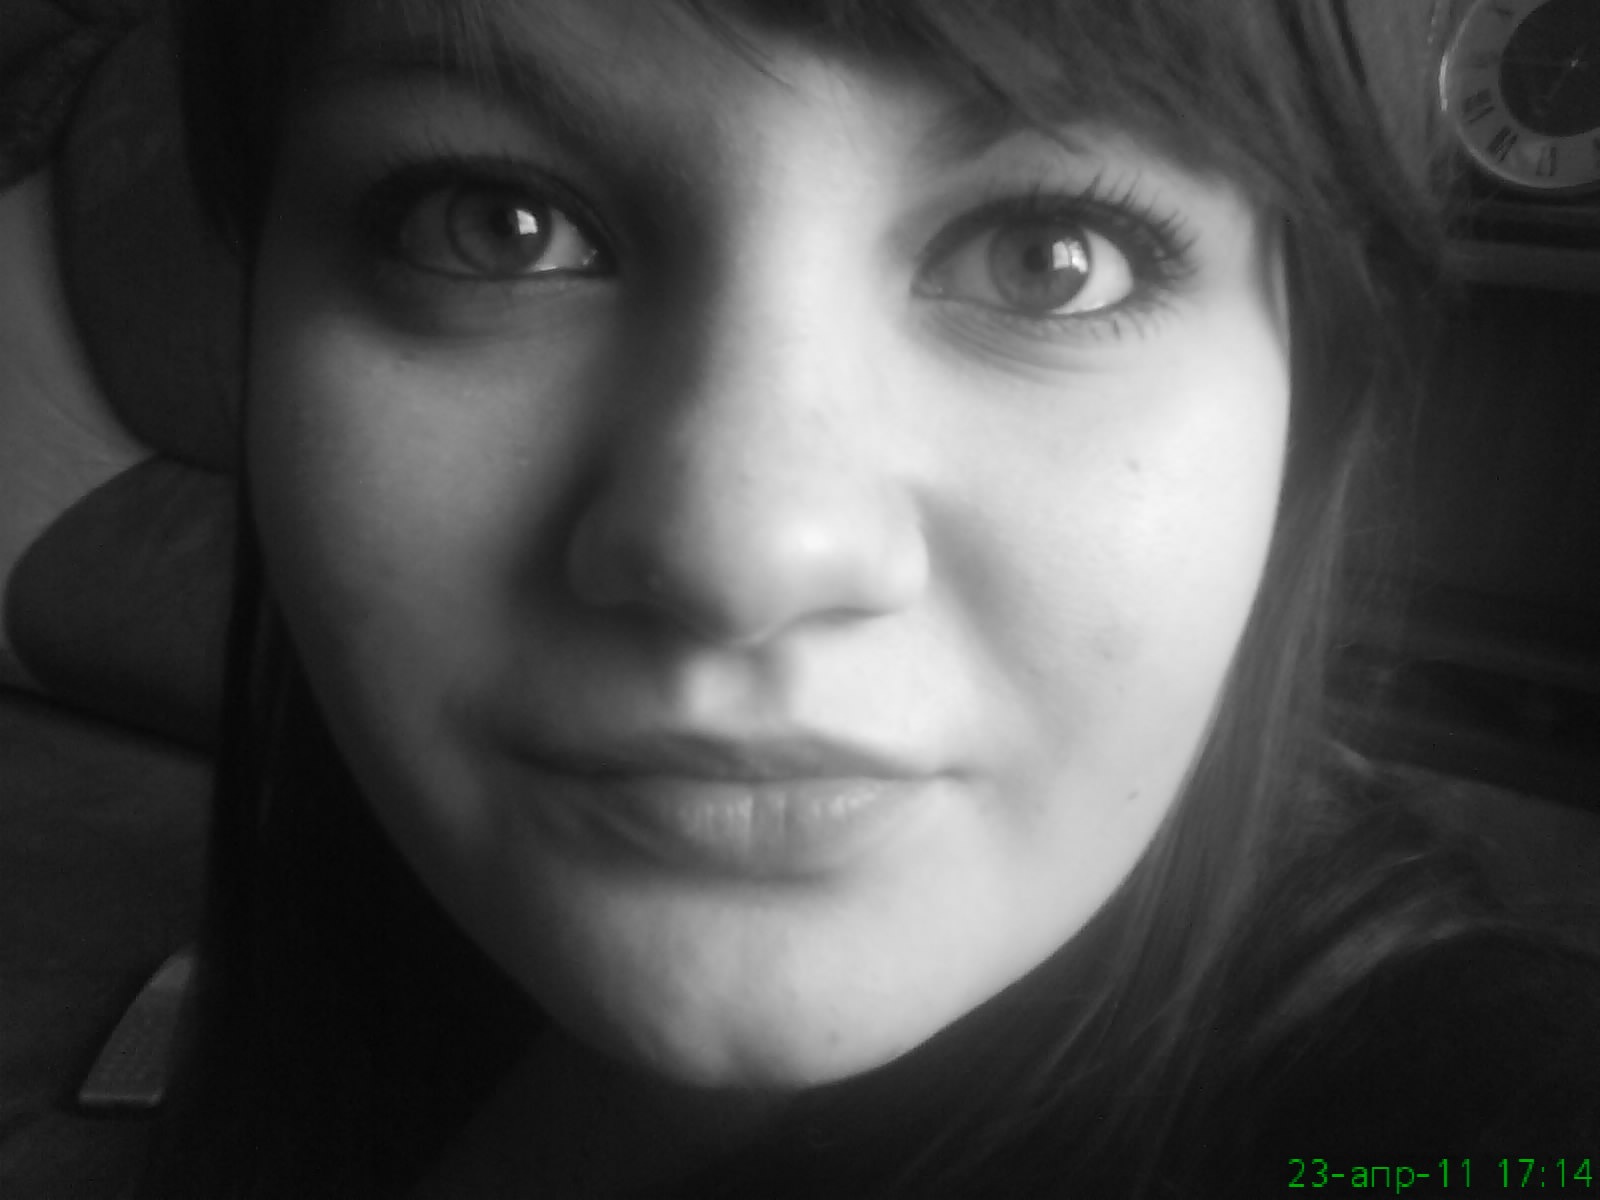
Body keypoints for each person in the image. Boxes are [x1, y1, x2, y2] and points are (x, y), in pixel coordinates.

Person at [146, 0, 1600, 1196]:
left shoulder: (1472, 1118)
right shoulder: (341, 968)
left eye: (1049, 261)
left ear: (1307, 396)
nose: (741, 558)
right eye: (494, 224)